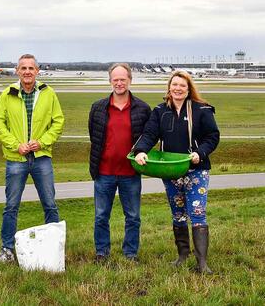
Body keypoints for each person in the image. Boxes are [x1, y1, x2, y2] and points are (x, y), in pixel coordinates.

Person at [134, 70, 219, 273]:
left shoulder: (202, 110)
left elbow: (213, 136)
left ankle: (202, 263)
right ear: (169, 88)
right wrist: (140, 151)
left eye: (182, 85)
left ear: (188, 88)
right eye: (174, 85)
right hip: (171, 172)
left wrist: (201, 152)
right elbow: (149, 134)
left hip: (196, 170)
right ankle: (182, 256)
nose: (178, 89)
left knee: (197, 213)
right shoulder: (160, 111)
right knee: (178, 214)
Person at [0, 54, 65, 263]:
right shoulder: (7, 94)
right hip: (16, 159)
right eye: (23, 68)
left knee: (50, 204)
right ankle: (7, 250)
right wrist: (16, 145)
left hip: (41, 158)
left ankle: (54, 249)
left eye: (31, 68)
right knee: (11, 206)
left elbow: (58, 122)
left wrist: (42, 142)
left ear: (37, 71)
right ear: (17, 71)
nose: (27, 72)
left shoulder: (48, 93)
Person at [88, 63, 151, 263]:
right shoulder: (98, 107)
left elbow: (148, 138)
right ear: (110, 81)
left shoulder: (142, 108)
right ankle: (102, 252)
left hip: (130, 173)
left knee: (133, 217)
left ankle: (130, 254)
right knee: (101, 216)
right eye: (115, 79)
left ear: (130, 80)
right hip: (104, 172)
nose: (119, 83)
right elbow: (94, 136)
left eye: (123, 79)